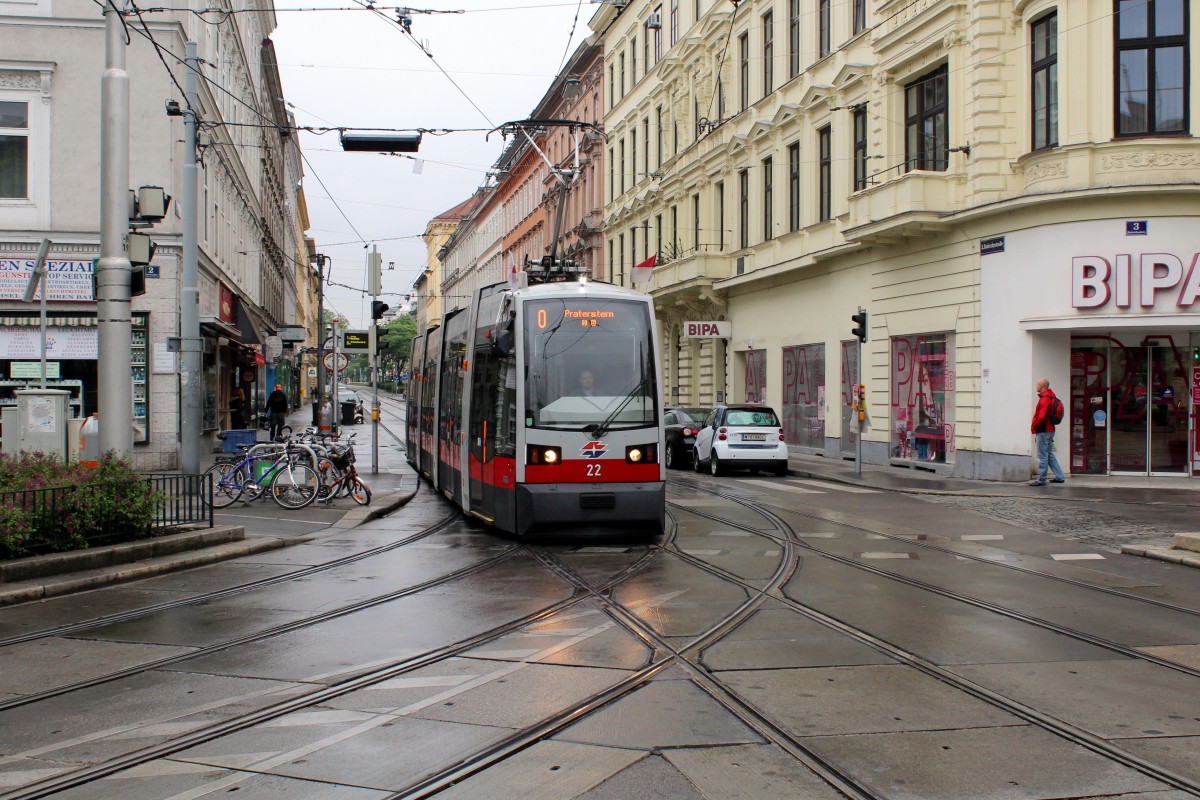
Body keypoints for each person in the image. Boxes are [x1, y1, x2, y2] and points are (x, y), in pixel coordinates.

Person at [1029, 377, 1065, 486]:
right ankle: (1059, 477)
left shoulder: (1044, 399)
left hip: (1043, 431)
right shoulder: (1050, 397)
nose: (1036, 386)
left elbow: (1041, 416)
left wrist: (1035, 426)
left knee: (1042, 455)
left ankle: (1041, 479)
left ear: (1042, 386)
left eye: (1037, 384)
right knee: (1048, 454)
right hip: (1049, 430)